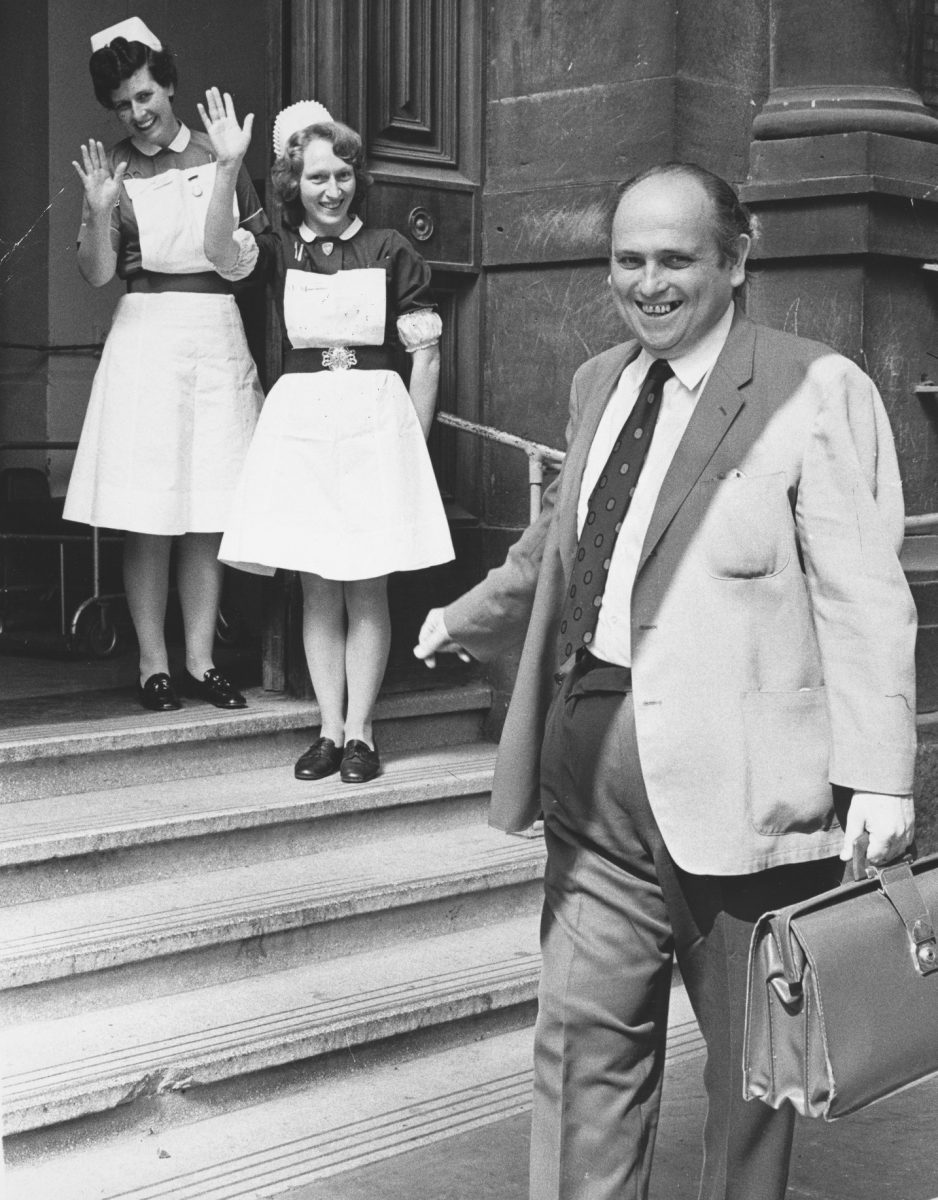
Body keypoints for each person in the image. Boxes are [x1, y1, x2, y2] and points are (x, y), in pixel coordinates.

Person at [415, 163, 917, 1200]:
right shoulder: (597, 381)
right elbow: (560, 540)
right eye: (627, 260)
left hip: (750, 796)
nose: (649, 283)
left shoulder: (813, 386)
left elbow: (863, 594)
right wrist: (464, 617)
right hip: (593, 771)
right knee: (578, 1063)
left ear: (734, 261)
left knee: (751, 1094)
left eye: (674, 259)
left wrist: (881, 777)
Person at [200, 90, 454, 784]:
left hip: (375, 423)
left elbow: (425, 356)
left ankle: (364, 734)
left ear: (356, 179)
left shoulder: (389, 248)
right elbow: (219, 249)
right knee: (317, 585)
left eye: (342, 175)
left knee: (365, 585)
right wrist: (226, 168)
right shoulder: (279, 250)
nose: (332, 189)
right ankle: (328, 729)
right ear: (294, 184)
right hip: (304, 427)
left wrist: (415, 449)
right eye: (317, 177)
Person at [64, 17, 268, 712]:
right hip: (145, 336)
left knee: (207, 508)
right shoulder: (112, 171)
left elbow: (239, 264)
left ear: (170, 84)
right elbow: (95, 274)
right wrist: (99, 212)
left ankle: (201, 659)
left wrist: (231, 169)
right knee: (148, 511)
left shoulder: (222, 153)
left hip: (213, 332)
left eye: (145, 95)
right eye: (122, 104)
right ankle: (153, 663)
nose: (137, 113)